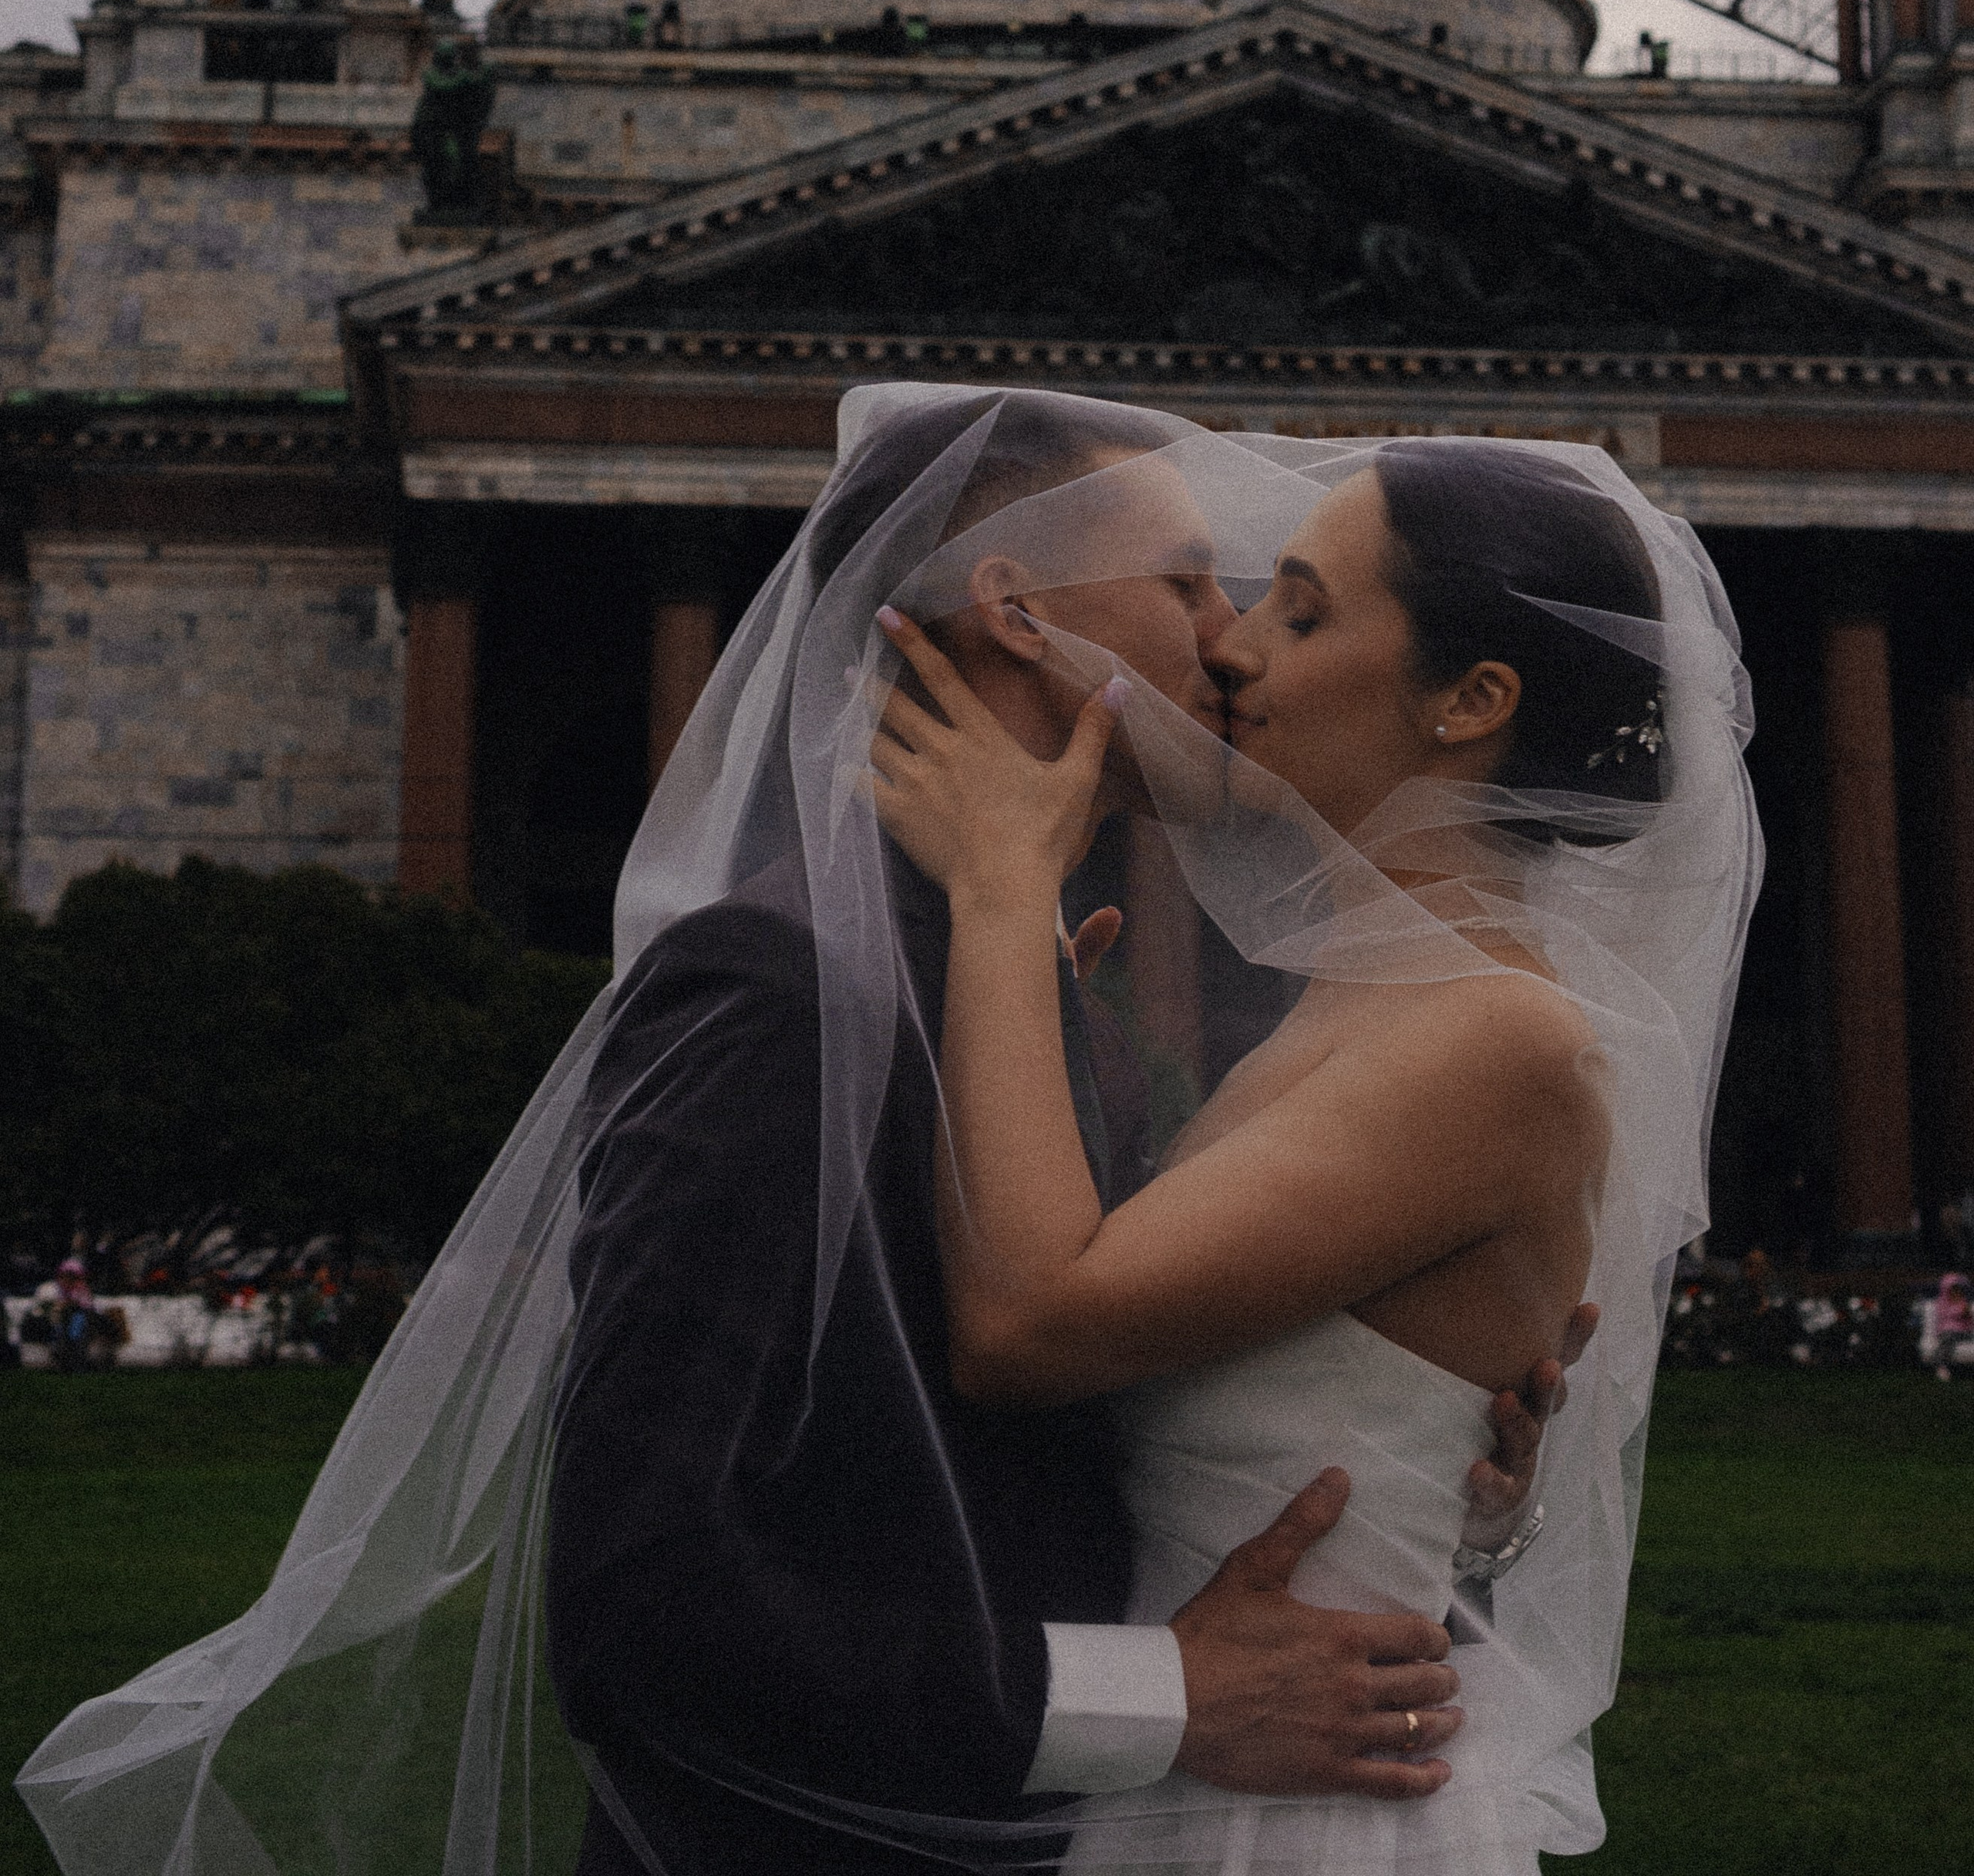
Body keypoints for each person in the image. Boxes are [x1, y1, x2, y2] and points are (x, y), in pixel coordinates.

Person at [16, 393, 1589, 1876]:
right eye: (1186, 583)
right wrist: (1157, 1697)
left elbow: (1070, 1456)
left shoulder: (1025, 989)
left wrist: (1423, 1438)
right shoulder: (782, 993)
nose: (1227, 641)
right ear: (1016, 611)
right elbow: (642, 1603)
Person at [869, 433, 1758, 1869]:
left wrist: (1001, 887)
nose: (1229, 649)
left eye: (1301, 611)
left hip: (1306, 1821)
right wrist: (1473, 1499)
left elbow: (1029, 1323)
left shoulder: (1498, 1039)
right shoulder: (1360, 1005)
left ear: (1470, 702)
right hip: (1207, 1770)